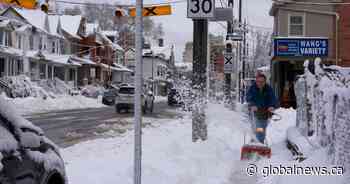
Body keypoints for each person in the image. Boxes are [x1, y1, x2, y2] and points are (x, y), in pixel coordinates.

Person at [246, 73, 277, 144]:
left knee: (261, 128)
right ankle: (258, 142)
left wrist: (271, 106)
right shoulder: (252, 88)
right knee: (258, 127)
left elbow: (273, 98)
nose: (260, 83)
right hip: (254, 111)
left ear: (265, 82)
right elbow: (248, 97)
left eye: (262, 82)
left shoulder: (268, 88)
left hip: (264, 112)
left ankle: (259, 142)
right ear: (256, 81)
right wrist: (252, 105)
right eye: (258, 82)